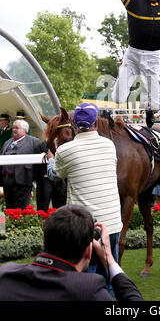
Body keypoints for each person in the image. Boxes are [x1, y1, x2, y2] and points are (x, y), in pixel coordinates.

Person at [47, 102, 122, 296]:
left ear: (73, 122)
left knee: (84, 285)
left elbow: (55, 175)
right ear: (96, 122)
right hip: (112, 224)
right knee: (109, 280)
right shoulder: (109, 145)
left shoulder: (65, 151)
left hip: (83, 227)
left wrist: (50, 160)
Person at [0, 204, 143, 301]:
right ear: (88, 251)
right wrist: (109, 258)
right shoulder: (88, 289)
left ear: (45, 242)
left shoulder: (5, 274)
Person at [1, 120, 45, 209]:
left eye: (17, 128)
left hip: (23, 181)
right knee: (9, 208)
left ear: (24, 130)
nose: (14, 130)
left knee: (22, 208)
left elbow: (41, 161)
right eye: (13, 128)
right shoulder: (7, 142)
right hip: (7, 181)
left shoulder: (34, 142)